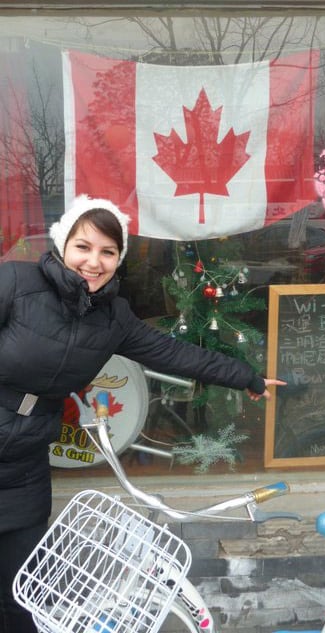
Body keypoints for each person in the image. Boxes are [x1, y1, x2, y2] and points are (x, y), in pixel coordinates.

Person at [0, 194, 286, 632]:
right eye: (84, 246)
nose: (93, 262)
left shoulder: (115, 318)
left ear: (119, 259)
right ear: (62, 245)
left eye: (107, 252)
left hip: (25, 468)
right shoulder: (16, 284)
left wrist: (246, 377)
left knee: (23, 594)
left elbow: (174, 354)